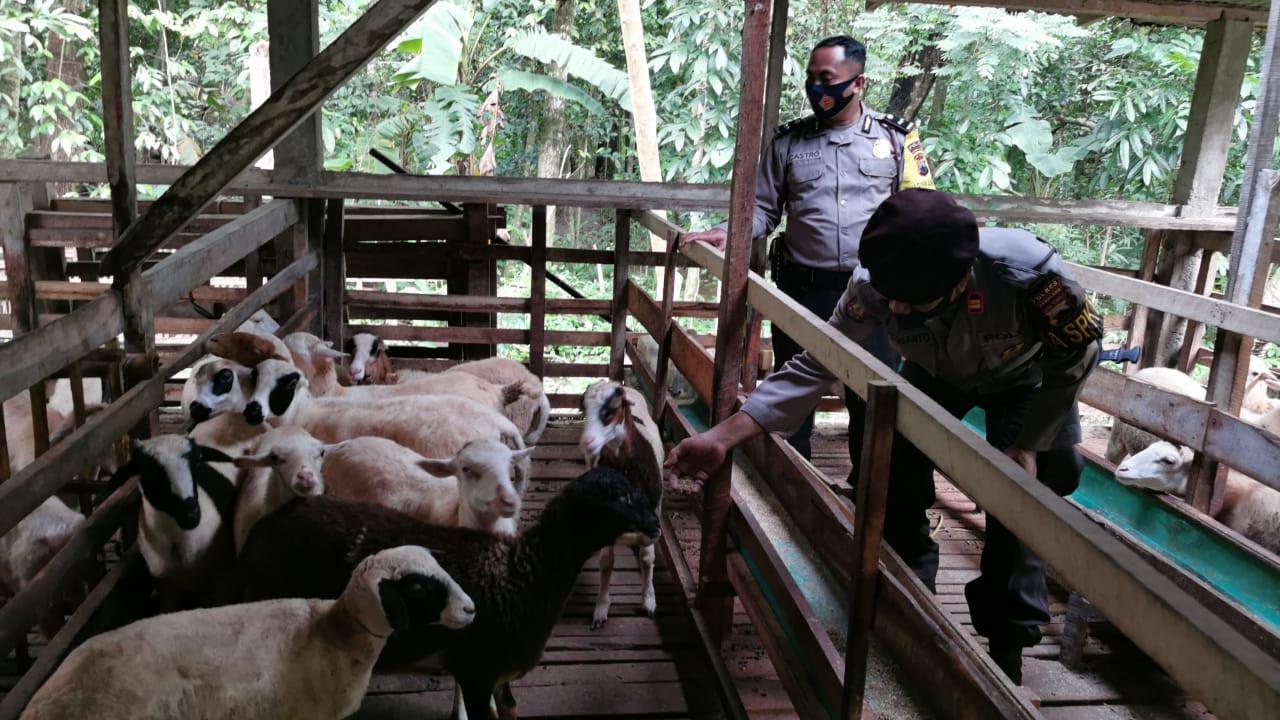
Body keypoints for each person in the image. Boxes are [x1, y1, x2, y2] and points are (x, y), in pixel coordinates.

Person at [666, 189, 1102, 684]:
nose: (892, 306)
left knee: (1029, 494)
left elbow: (1078, 353)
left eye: (909, 303)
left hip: (1026, 382)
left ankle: (1007, 647)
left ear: (960, 283)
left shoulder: (1028, 275)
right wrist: (723, 437)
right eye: (889, 295)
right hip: (936, 373)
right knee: (891, 461)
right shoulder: (872, 284)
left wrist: (1028, 443)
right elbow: (818, 361)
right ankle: (911, 600)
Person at [679, 35, 934, 470]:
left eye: (827, 79)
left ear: (858, 83)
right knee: (794, 393)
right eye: (811, 78)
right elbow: (762, 209)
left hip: (875, 293)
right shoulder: (788, 143)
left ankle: (867, 493)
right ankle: (791, 483)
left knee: (872, 397)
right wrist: (726, 233)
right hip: (804, 289)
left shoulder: (895, 139)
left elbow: (920, 208)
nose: (818, 88)